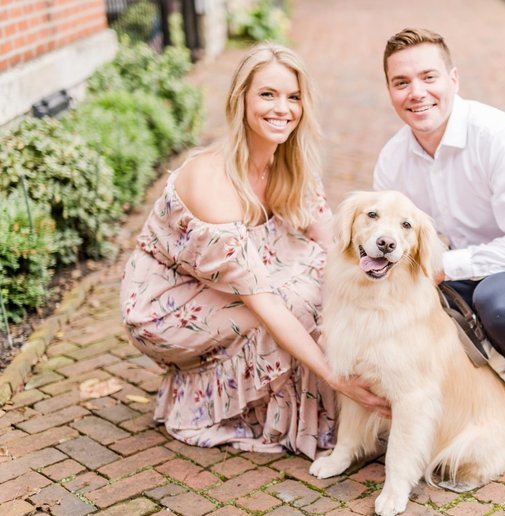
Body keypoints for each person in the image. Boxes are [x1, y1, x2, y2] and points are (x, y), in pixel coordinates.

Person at [120, 43, 389, 459]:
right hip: (169, 302)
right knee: (294, 303)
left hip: (246, 269)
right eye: (267, 94)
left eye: (293, 97)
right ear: (241, 98)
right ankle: (264, 415)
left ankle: (339, 402)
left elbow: (334, 246)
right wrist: (336, 377)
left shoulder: (291, 162)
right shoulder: (213, 180)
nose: (282, 108)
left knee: (325, 277)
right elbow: (264, 300)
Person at [373, 28, 505, 457]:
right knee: (406, 302)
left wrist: (444, 268)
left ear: (454, 79)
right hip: (468, 273)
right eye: (401, 82)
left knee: (498, 299)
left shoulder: (498, 136)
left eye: (429, 77)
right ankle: (444, 411)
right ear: (390, 91)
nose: (416, 93)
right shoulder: (393, 160)